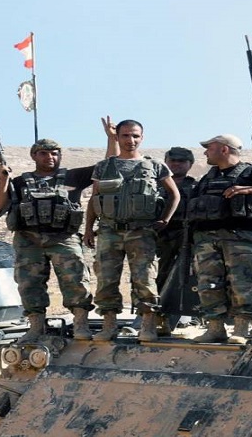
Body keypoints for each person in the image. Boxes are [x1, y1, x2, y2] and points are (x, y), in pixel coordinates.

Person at [85, 117, 179, 343]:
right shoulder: (104, 167)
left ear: (142, 137)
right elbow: (94, 199)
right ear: (117, 137)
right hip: (109, 231)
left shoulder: (155, 166)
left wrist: (164, 220)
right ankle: (109, 326)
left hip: (141, 231)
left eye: (135, 135)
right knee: (106, 279)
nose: (131, 140)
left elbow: (174, 195)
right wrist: (88, 229)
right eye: (125, 135)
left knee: (144, 278)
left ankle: (148, 326)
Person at [0, 138, 95, 343]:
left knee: (75, 280)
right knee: (29, 283)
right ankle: (36, 327)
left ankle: (81, 324)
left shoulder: (74, 176)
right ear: (34, 156)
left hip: (64, 238)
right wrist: (3, 180)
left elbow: (108, 164)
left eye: (54, 153)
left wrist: (112, 138)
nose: (50, 157)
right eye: (43, 153)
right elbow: (0, 207)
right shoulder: (20, 182)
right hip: (28, 239)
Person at [189, 134, 252, 344]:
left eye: (209, 148)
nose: (205, 152)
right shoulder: (208, 177)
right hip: (206, 239)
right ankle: (215, 328)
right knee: (208, 284)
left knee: (243, 282)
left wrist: (251, 190)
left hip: (239, 237)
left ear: (224, 149)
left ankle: (241, 329)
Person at [155, 147, 197, 336]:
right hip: (162, 236)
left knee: (190, 276)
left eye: (182, 161)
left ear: (190, 164)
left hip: (189, 236)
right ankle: (157, 315)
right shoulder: (155, 185)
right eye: (172, 161)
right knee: (161, 274)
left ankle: (188, 313)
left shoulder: (196, 187)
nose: (177, 164)